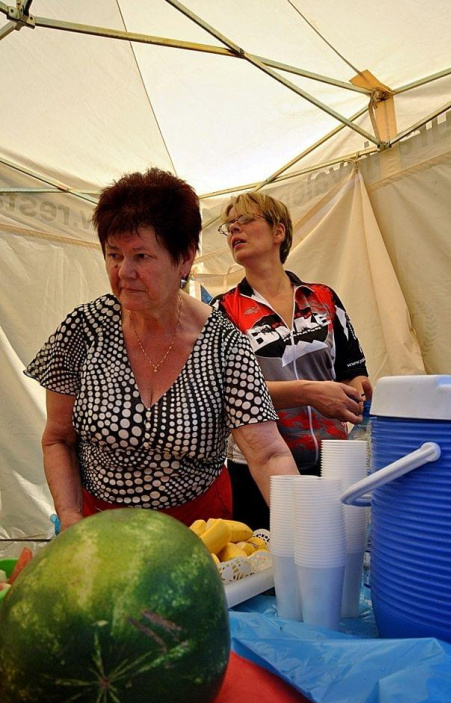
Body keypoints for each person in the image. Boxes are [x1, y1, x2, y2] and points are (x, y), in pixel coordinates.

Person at [24, 169, 298, 532]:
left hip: (198, 530)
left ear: (184, 258)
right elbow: (57, 438)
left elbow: (268, 454)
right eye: (113, 254)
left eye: (141, 256)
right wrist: (72, 518)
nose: (124, 272)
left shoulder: (223, 341)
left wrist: (307, 531)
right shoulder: (83, 329)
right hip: (98, 527)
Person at [212, 191, 372, 529]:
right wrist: (308, 392)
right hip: (256, 467)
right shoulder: (222, 310)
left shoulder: (323, 298)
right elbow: (227, 392)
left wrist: (358, 393)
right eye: (229, 226)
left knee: (338, 556)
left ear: (278, 232)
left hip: (333, 461)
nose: (234, 230)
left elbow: (352, 371)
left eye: (245, 220)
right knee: (274, 571)